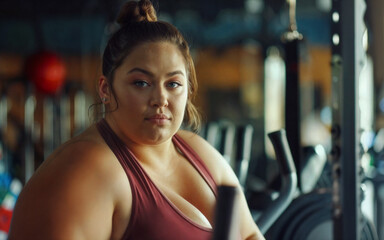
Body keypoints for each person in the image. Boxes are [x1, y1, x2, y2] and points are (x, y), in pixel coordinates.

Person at [8, 0, 265, 239]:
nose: (160, 98)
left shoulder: (198, 152)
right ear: (105, 89)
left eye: (173, 83)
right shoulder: (87, 171)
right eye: (141, 83)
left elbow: (251, 235)